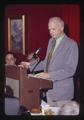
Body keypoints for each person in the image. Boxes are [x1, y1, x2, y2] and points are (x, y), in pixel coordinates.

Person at [20, 17, 79, 107]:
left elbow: (70, 70)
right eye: (49, 29)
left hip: (62, 93)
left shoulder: (71, 44)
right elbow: (46, 63)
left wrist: (49, 75)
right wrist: (30, 66)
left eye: (53, 29)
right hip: (49, 90)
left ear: (62, 28)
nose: (50, 32)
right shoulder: (51, 41)